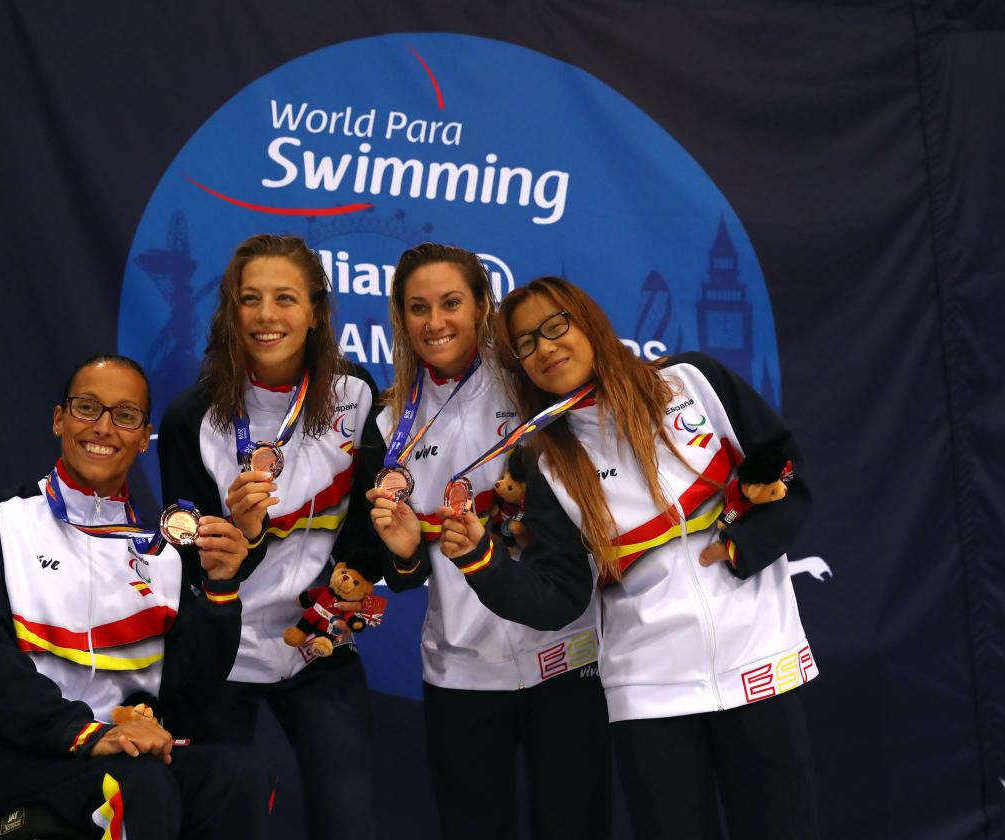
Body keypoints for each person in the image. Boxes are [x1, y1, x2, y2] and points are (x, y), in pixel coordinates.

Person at [439, 276, 820, 840]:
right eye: (525, 343)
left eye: (555, 326)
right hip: (649, 694)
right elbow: (557, 598)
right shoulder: (548, 468)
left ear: (588, 322)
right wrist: (479, 558)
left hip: (758, 660)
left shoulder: (692, 382)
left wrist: (742, 550)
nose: (544, 348)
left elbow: (784, 469)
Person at [0, 354, 272, 839]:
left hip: (113, 751)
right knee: (136, 784)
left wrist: (220, 588)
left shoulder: (162, 553)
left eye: (125, 415)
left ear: (144, 436)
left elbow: (187, 693)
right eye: (88, 407)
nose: (104, 427)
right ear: (58, 419)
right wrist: (86, 734)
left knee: (238, 779)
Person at [366, 245, 610, 840]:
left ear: (481, 307)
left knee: (575, 826)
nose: (436, 322)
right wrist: (400, 556)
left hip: (567, 654)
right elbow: (407, 575)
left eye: (451, 303)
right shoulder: (389, 420)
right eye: (418, 308)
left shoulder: (533, 385)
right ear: (402, 319)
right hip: (462, 671)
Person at [157, 234, 382, 840]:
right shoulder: (191, 418)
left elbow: (372, 519)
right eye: (249, 299)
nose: (265, 315)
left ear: (315, 312)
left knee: (350, 822)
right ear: (231, 312)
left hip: (316, 645)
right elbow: (187, 563)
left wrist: (361, 581)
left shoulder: (355, 395)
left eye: (285, 298)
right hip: (221, 652)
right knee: (219, 822)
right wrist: (244, 538)